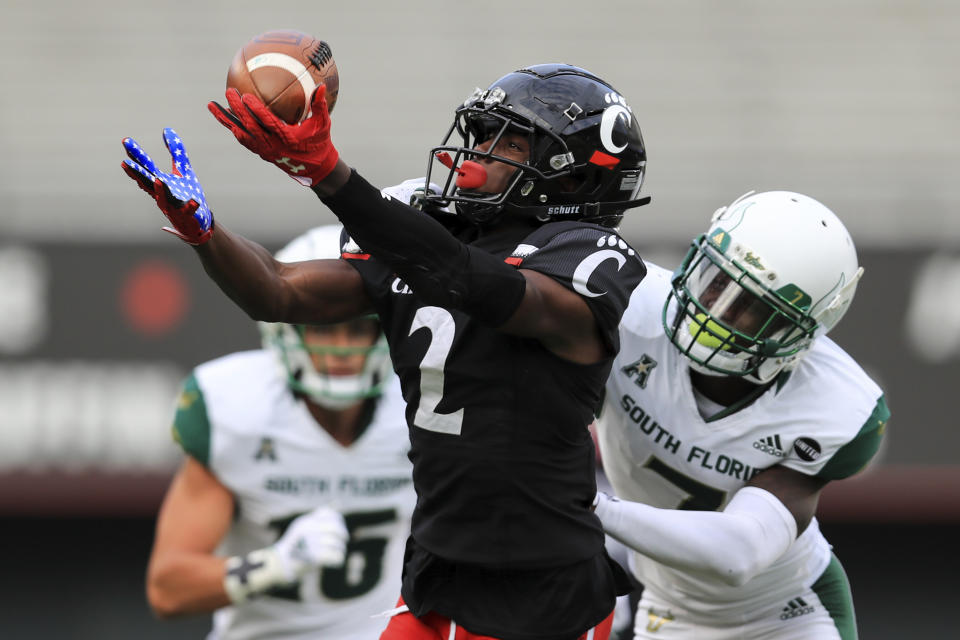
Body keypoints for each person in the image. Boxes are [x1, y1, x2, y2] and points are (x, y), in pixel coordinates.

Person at [122, 63, 649, 640]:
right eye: (480, 132)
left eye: (508, 140)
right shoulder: (441, 236)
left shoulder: (587, 258)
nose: (476, 152)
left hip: (538, 586)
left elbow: (488, 288)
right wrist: (206, 234)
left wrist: (328, 173)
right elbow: (278, 290)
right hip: (438, 569)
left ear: (569, 178)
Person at [592, 191, 890, 639]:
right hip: (668, 611)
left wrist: (586, 505)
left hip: (787, 614)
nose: (717, 311)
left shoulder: (838, 405)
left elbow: (738, 553)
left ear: (795, 332)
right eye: (716, 282)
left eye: (750, 308)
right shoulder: (626, 302)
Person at [145, 225, 416, 640]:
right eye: (322, 329)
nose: (341, 347)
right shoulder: (235, 408)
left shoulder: (419, 407)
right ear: (286, 328)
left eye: (359, 329)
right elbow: (168, 589)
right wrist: (275, 564)